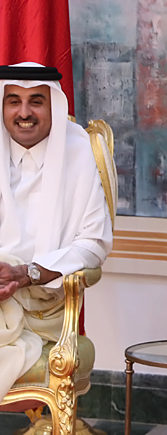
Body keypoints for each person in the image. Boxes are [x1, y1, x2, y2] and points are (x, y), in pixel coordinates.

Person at [0, 62, 112, 403]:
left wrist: (27, 273)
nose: (24, 113)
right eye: (13, 101)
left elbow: (94, 244)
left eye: (36, 101)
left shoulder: (78, 151)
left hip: (42, 311)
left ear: (53, 106)